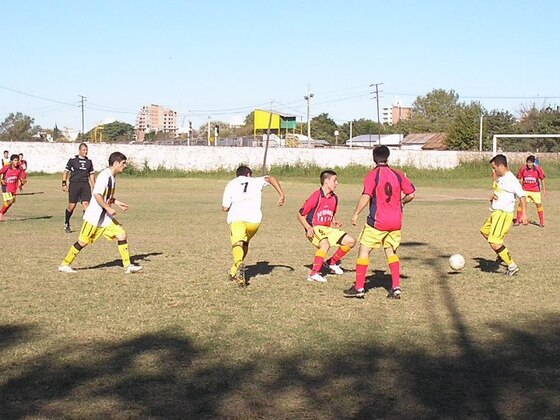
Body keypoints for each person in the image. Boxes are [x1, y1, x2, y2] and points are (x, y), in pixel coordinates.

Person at [343, 145, 415, 299]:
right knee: (391, 251)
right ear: (388, 157)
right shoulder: (398, 174)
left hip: (377, 222)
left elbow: (366, 196)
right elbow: (411, 194)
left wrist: (356, 214)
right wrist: (401, 203)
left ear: (374, 158)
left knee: (364, 251)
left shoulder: (372, 175)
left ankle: (359, 288)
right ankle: (395, 287)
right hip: (395, 222)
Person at [58, 152, 143, 274]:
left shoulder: (112, 178)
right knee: (82, 242)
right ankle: (65, 264)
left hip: (105, 219)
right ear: (116, 163)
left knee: (121, 235)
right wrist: (107, 208)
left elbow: (106, 196)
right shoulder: (105, 176)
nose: (125, 166)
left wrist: (117, 203)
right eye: (123, 163)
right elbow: (97, 194)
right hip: (94, 217)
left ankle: (127, 266)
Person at [222, 165, 285, 287]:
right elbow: (271, 178)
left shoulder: (230, 184)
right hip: (254, 220)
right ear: (249, 174)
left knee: (237, 243)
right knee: (244, 243)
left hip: (237, 219)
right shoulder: (256, 181)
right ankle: (233, 271)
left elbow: (225, 208)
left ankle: (238, 264)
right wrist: (281, 194)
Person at [297, 170, 355, 283]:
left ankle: (331, 263)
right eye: (335, 180)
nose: (337, 183)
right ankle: (313, 274)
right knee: (325, 244)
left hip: (327, 229)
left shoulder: (334, 198)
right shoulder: (316, 195)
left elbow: (329, 212)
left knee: (350, 241)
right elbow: (300, 214)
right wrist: (308, 228)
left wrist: (334, 221)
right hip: (315, 228)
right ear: (327, 181)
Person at [480, 154, 527, 277]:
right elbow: (502, 193)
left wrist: (524, 215)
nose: (494, 170)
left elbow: (522, 196)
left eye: (495, 168)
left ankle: (512, 266)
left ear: (501, 166)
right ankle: (501, 254)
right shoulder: (502, 178)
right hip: (495, 212)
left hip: (503, 214)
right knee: (485, 231)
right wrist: (494, 197)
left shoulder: (512, 180)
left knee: (494, 241)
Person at [62, 143, 95, 233]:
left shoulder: (89, 162)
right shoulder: (73, 160)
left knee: (86, 204)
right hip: (74, 184)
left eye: (86, 150)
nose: (85, 152)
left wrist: (94, 186)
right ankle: (66, 223)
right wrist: (64, 183)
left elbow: (91, 175)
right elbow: (66, 172)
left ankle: (86, 226)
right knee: (72, 206)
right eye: (84, 150)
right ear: (79, 150)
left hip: (85, 184)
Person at [516, 155, 546, 227]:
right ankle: (517, 220)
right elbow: (519, 178)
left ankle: (541, 222)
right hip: (525, 190)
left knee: (538, 205)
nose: (529, 164)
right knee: (521, 204)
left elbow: (542, 179)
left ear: (533, 163)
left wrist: (544, 190)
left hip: (535, 190)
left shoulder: (537, 169)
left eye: (531, 162)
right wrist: (519, 188)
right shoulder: (523, 169)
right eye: (528, 162)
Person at [0, 154, 27, 221]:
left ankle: (2, 213)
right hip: (5, 186)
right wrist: (1, 180)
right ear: (11, 161)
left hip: (13, 188)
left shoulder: (19, 169)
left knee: (11, 202)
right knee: (10, 200)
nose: (16, 162)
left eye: (17, 160)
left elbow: (22, 178)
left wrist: (22, 182)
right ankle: (0, 214)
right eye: (15, 160)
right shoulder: (6, 167)